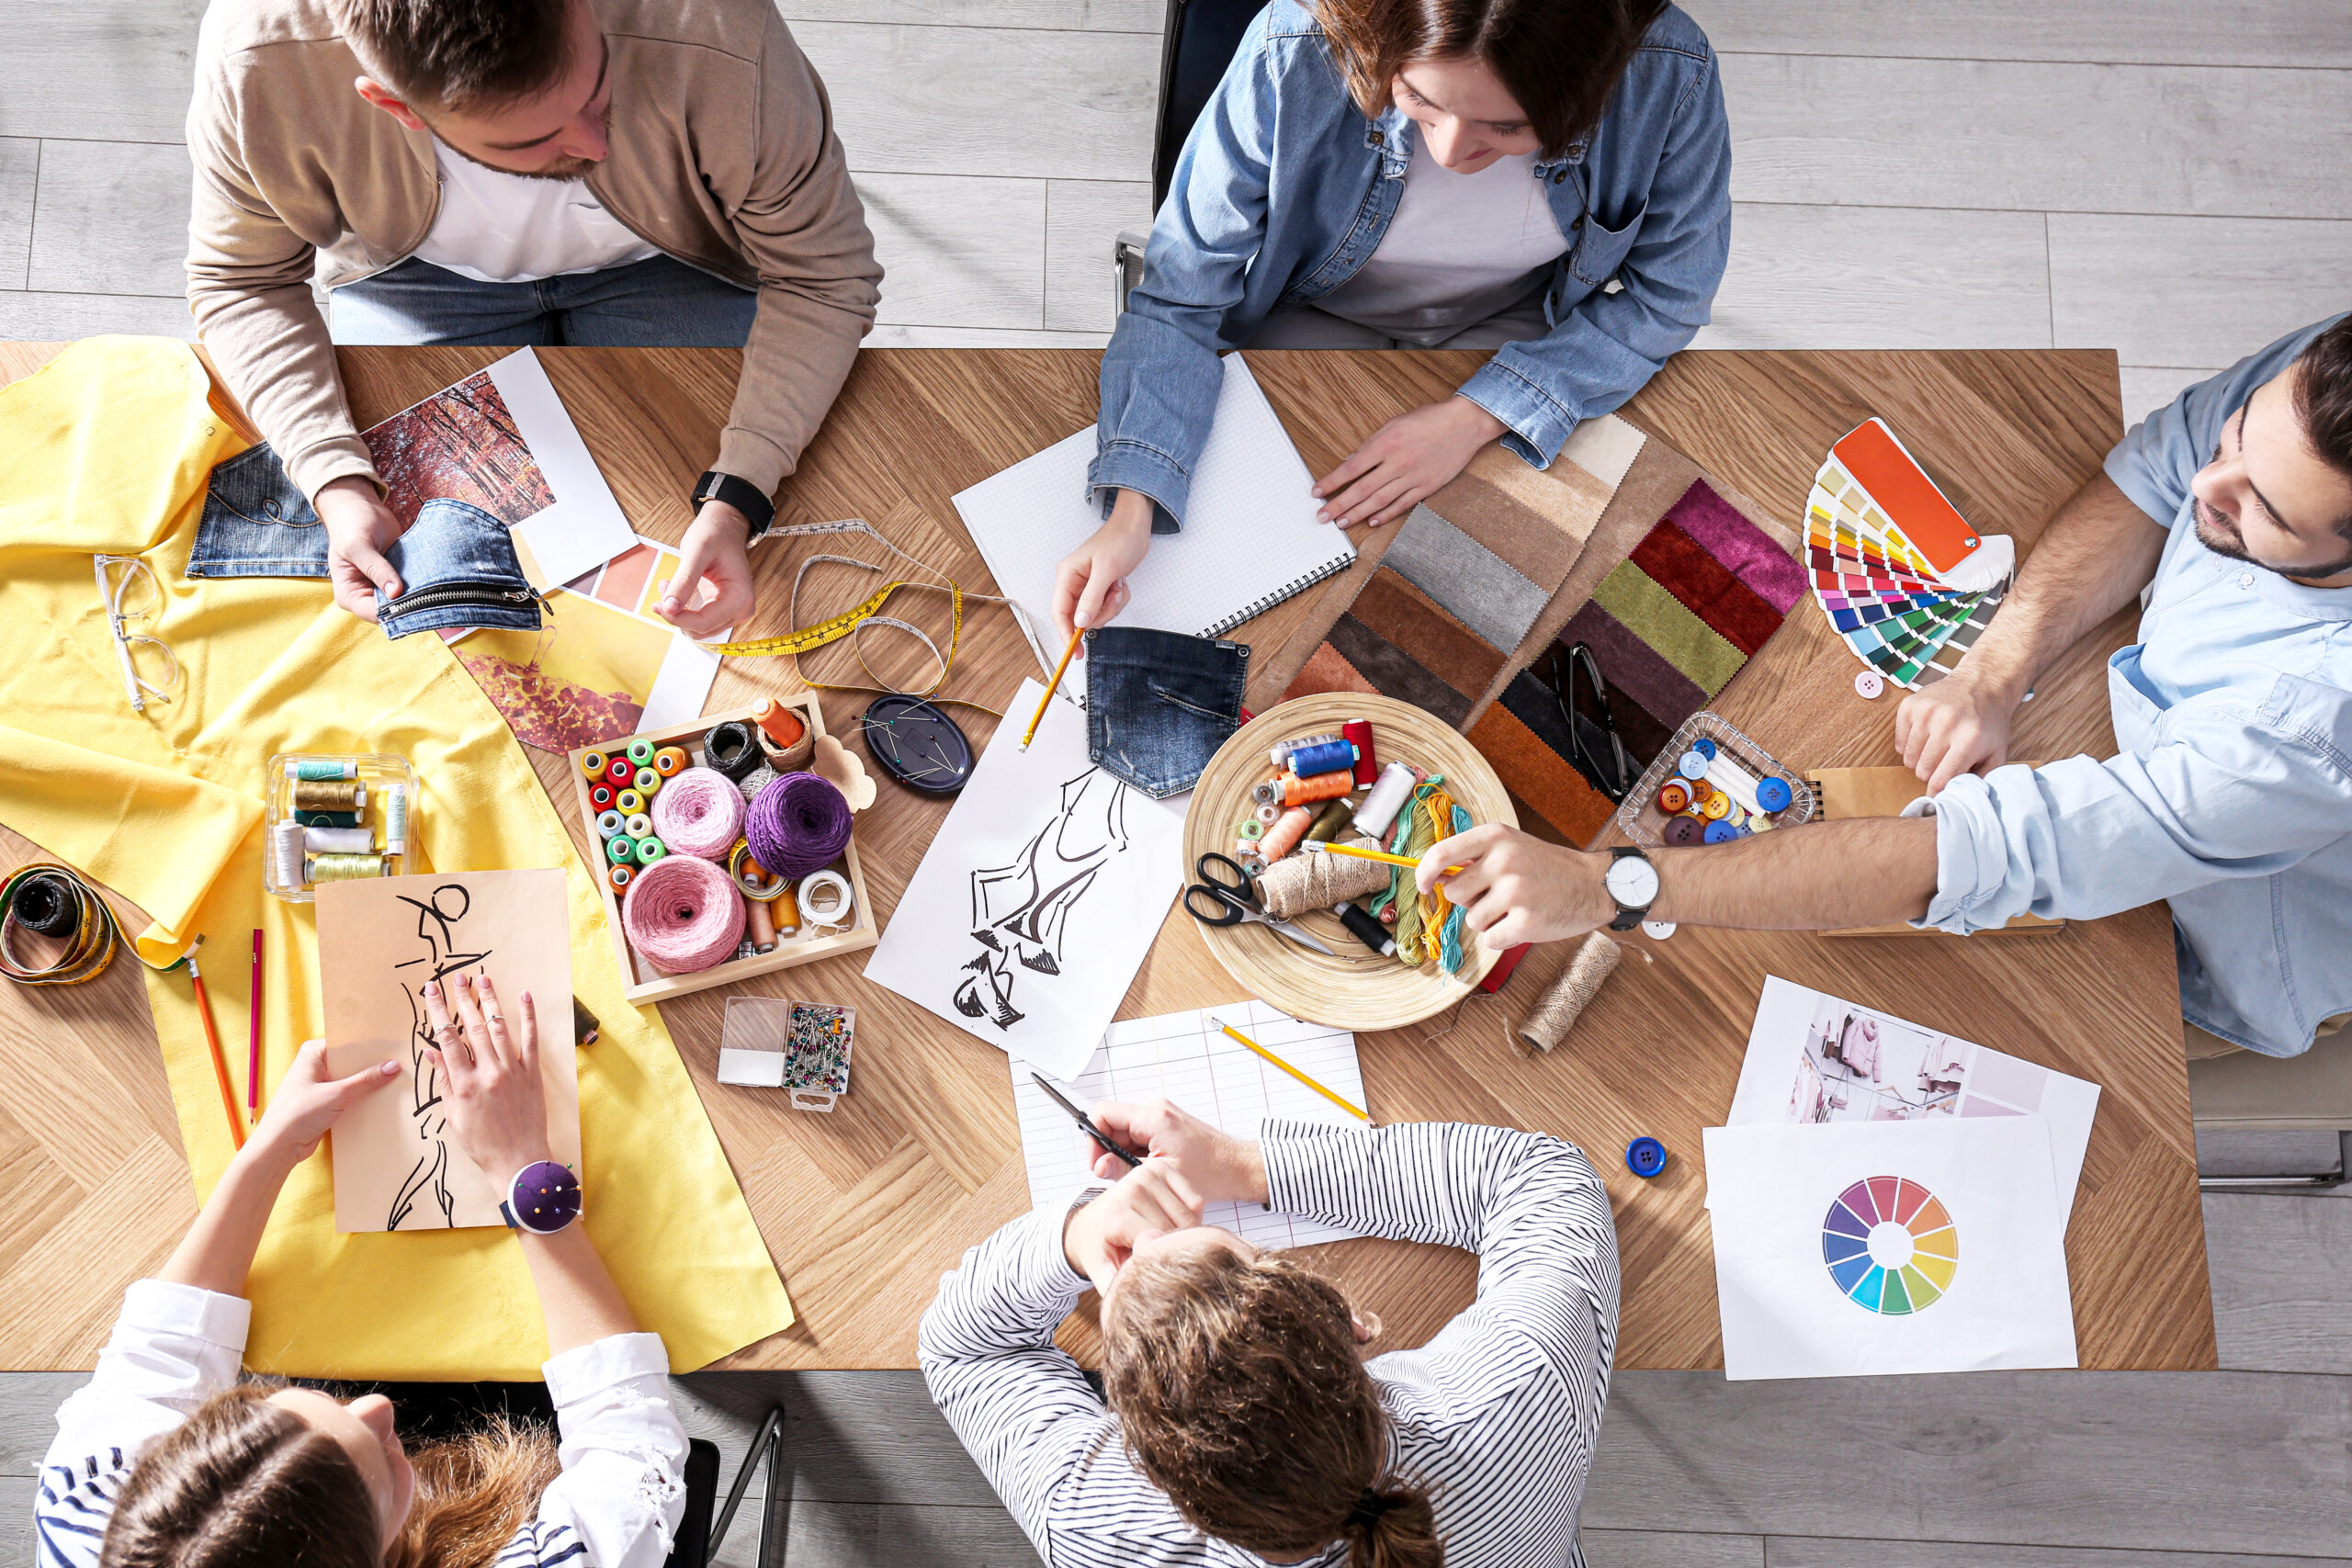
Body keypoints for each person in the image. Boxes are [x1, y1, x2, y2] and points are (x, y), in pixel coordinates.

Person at [1419, 312, 2352, 1059]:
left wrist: (1611, 884)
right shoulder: (2318, 389)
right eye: (2234, 437)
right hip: (2123, 762)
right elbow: (2156, 469)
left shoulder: (2310, 725)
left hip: (2206, 949)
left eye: (2257, 509)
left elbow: (1973, 857)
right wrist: (1990, 670)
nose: (2207, 483)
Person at [186, 0, 882, 637]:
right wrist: (331, 479)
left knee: (735, 478)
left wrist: (739, 495)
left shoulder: (721, 26)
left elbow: (824, 274)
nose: (594, 144)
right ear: (396, 106)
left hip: (672, 255)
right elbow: (241, 280)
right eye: (534, 140)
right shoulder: (257, 56)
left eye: (598, 89)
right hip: (410, 274)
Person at [1054, 0, 1731, 648]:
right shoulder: (1295, 45)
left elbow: (1668, 296)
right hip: (1304, 312)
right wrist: (1133, 507)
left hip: (1525, 337)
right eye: (1421, 100)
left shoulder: (1667, 68)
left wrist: (1476, 416)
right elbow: (1179, 297)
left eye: (1508, 128)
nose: (1450, 150)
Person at [33, 974, 689, 1568]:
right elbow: (632, 1445)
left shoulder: (90, 1518)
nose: (380, 1406)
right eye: (380, 1456)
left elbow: (157, 1359)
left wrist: (272, 1145)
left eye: (294, 1405)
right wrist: (523, 1172)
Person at [921, 1100, 1619, 1566]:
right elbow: (1545, 1177)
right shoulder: (1522, 1398)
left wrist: (1076, 1239)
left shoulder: (1102, 1531)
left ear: (1144, 1465)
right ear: (1344, 1319)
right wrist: (1249, 1165)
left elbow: (961, 1346)